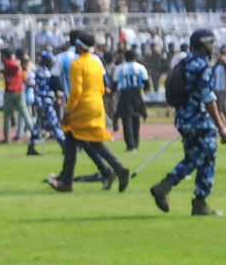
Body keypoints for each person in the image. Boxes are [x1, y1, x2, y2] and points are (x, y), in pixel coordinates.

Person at [150, 28, 226, 217]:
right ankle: (165, 186)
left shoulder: (185, 62)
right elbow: (207, 97)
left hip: (183, 119)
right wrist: (221, 127)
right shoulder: (201, 66)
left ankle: (200, 203)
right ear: (203, 44)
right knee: (201, 157)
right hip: (199, 120)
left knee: (203, 159)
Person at [47, 31, 127, 194]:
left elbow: (76, 92)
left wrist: (68, 111)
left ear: (79, 46)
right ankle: (115, 169)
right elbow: (103, 88)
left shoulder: (78, 65)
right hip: (97, 105)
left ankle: (68, 182)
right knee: (86, 141)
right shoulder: (96, 63)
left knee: (77, 141)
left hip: (82, 107)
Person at [110, 46, 149, 153]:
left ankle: (130, 146)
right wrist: (146, 90)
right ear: (135, 57)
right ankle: (136, 143)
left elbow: (115, 83)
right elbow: (146, 82)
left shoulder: (120, 68)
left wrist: (112, 92)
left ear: (125, 57)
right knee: (136, 119)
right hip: (136, 93)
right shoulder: (140, 67)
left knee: (126, 119)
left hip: (125, 94)